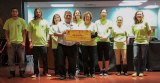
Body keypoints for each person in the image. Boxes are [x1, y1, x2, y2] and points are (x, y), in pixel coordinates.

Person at [3, 8, 27, 78]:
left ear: (18, 13)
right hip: (11, 43)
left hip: (20, 43)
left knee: (22, 58)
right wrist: (8, 41)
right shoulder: (8, 21)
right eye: (13, 11)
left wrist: (24, 42)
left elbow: (24, 32)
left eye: (16, 11)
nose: (14, 12)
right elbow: (6, 32)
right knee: (10, 58)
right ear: (11, 13)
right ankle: (12, 72)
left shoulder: (22, 21)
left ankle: (22, 72)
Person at [54, 10, 78, 80]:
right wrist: (61, 33)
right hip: (62, 45)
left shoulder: (75, 25)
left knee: (72, 62)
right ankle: (62, 75)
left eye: (69, 15)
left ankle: (71, 74)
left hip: (72, 45)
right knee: (61, 61)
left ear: (72, 17)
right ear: (64, 16)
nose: (68, 16)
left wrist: (78, 40)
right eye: (67, 15)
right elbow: (55, 33)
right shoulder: (59, 24)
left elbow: (78, 35)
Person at [28, 8, 51, 78]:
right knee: (35, 60)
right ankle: (36, 73)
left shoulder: (45, 22)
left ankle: (46, 72)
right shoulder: (31, 22)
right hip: (34, 44)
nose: (38, 13)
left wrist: (47, 41)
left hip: (43, 44)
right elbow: (29, 33)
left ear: (41, 13)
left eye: (39, 12)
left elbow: (48, 33)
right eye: (36, 12)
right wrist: (30, 42)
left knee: (45, 59)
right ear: (35, 13)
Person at [132, 10, 151, 77]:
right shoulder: (134, 24)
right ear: (136, 16)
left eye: (140, 14)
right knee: (135, 57)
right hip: (136, 42)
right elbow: (134, 33)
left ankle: (141, 71)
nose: (139, 15)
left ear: (142, 15)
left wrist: (147, 40)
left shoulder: (146, 23)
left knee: (143, 57)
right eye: (138, 14)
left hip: (144, 42)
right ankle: (135, 71)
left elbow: (149, 32)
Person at [80, 11, 97, 78]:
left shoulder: (94, 24)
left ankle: (92, 73)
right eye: (86, 16)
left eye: (88, 17)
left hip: (92, 44)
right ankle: (86, 73)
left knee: (92, 59)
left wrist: (87, 37)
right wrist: (86, 36)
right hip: (84, 45)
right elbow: (80, 34)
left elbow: (95, 34)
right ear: (84, 17)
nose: (87, 18)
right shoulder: (81, 25)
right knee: (85, 59)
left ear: (90, 18)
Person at [95, 9, 112, 76]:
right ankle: (101, 70)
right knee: (100, 57)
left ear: (106, 14)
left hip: (106, 41)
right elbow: (96, 32)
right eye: (102, 12)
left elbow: (110, 31)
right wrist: (100, 37)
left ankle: (106, 70)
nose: (103, 13)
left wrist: (106, 37)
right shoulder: (96, 22)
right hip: (99, 41)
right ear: (100, 14)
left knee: (107, 56)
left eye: (105, 12)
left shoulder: (109, 22)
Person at [73, 9, 84, 74]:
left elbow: (83, 32)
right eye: (76, 13)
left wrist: (80, 40)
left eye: (78, 13)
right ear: (74, 14)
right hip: (74, 42)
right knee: (76, 56)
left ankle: (83, 69)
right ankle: (77, 69)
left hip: (82, 42)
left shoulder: (83, 22)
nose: (77, 14)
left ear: (80, 14)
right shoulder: (72, 22)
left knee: (83, 55)